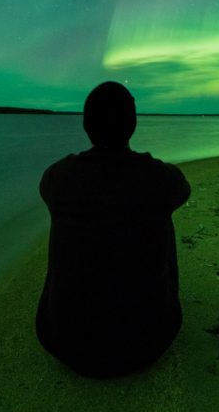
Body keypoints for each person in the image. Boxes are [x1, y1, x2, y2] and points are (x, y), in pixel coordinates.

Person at [35, 81, 191, 378]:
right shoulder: (159, 178)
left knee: (74, 223)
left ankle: (77, 306)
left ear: (86, 125)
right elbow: (182, 188)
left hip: (63, 341)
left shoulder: (58, 177)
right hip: (149, 341)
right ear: (132, 124)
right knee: (159, 213)